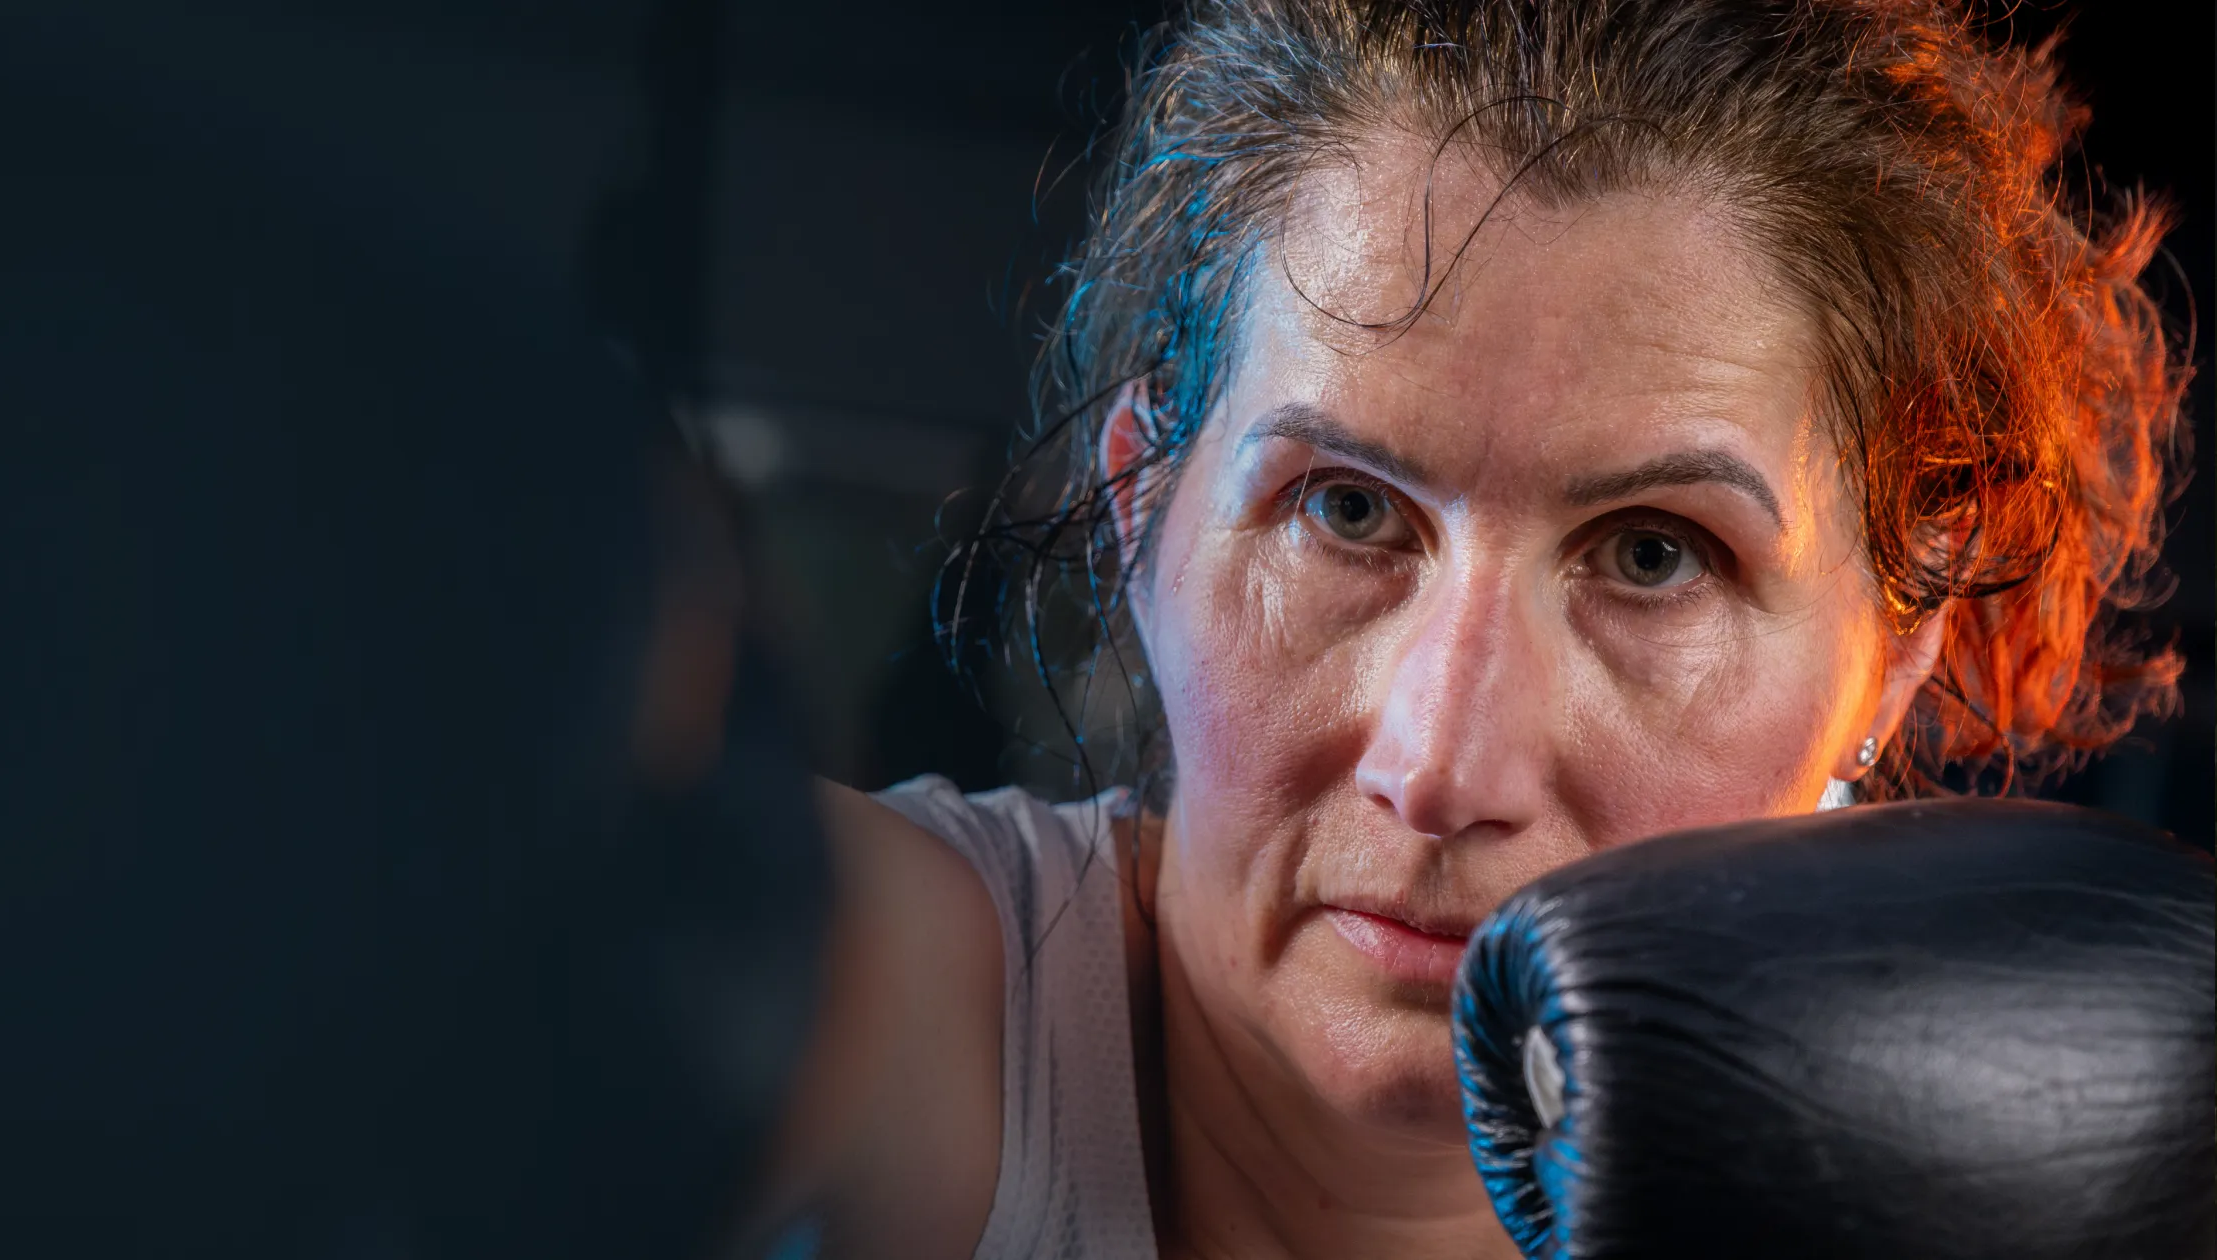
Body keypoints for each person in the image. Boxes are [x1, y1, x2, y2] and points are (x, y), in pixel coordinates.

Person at [754, 1, 2190, 1258]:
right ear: (1143, 509)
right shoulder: (874, 995)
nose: (1441, 769)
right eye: (1347, 511)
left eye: (1653, 556)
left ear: (1893, 661)